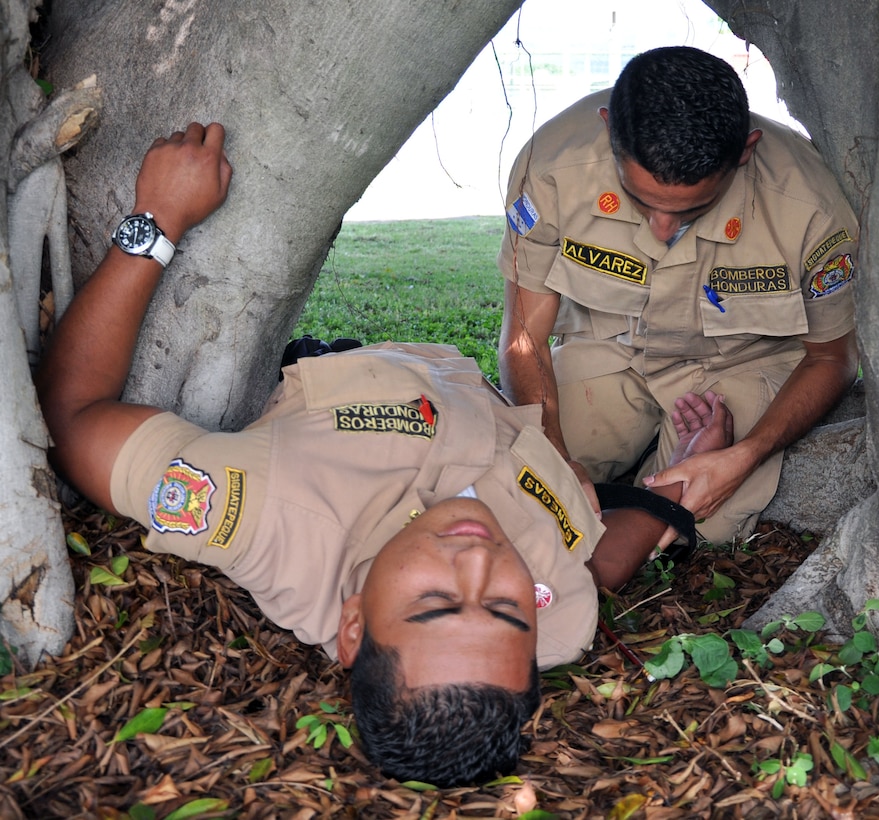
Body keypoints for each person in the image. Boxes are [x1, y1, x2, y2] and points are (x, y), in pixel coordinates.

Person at [35, 122, 732, 787]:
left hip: (354, 379)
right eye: (506, 607)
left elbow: (71, 422)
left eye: (435, 601)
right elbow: (592, 569)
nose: (480, 562)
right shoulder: (551, 628)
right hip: (491, 402)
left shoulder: (260, 514)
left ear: (352, 624)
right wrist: (667, 503)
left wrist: (155, 219)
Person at [498, 46, 859, 549]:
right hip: (615, 352)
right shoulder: (551, 169)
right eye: (641, 200)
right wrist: (555, 457)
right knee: (518, 478)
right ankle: (637, 491)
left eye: (693, 209)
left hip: (736, 368)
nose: (662, 227)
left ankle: (649, 503)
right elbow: (524, 336)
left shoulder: (810, 208)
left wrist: (746, 454)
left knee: (706, 520)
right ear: (609, 130)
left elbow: (833, 357)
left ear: (745, 151)